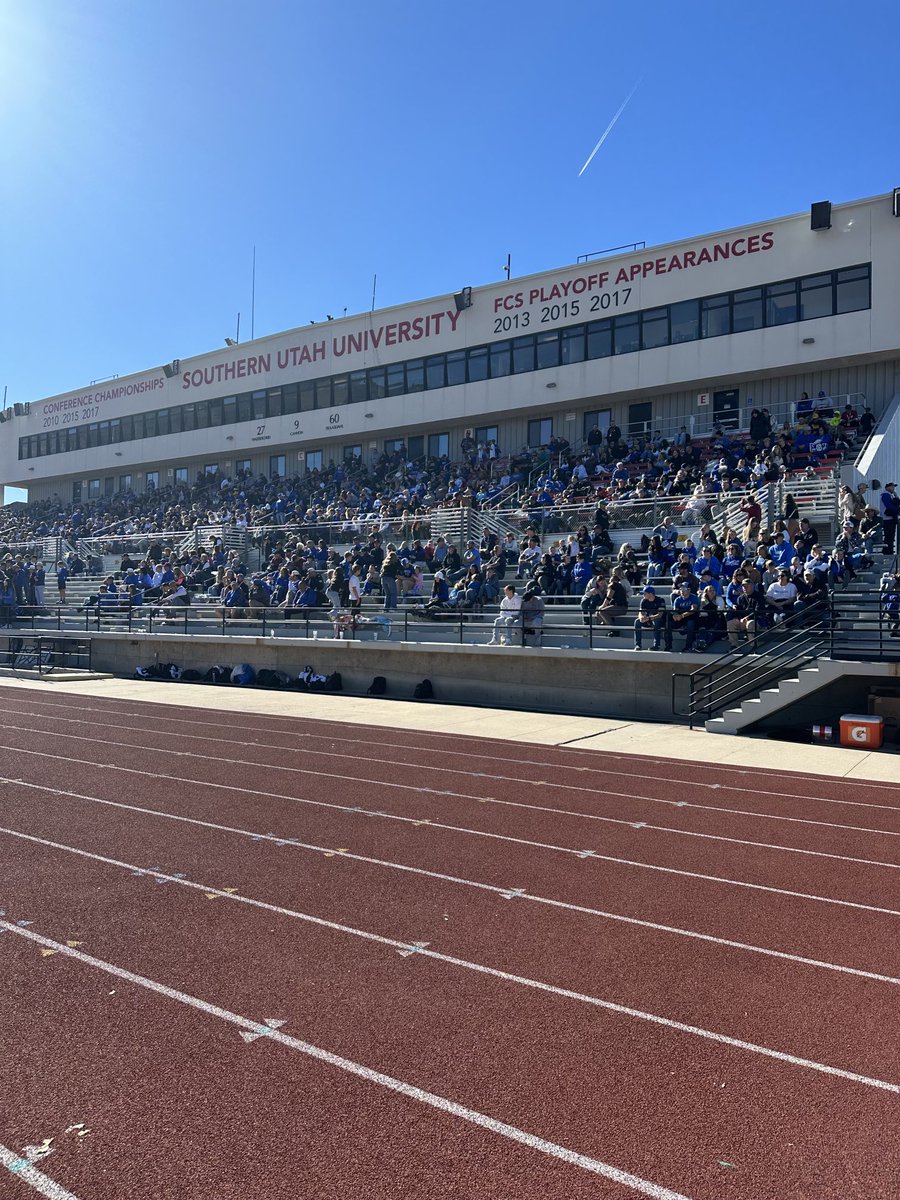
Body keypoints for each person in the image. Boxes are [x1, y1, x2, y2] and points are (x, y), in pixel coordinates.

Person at [633, 585, 667, 650]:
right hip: (649, 619)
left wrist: (648, 618)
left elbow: (659, 615)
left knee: (656, 621)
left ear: (650, 594)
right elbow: (641, 612)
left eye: (644, 594)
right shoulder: (643, 601)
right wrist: (641, 617)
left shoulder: (660, 600)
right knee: (637, 622)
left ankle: (656, 645)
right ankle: (638, 645)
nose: (643, 595)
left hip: (660, 620)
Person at [880, 482, 900, 555]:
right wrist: (898, 510)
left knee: (891, 537)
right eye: (892, 487)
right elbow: (889, 506)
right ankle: (887, 552)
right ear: (887, 487)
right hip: (887, 519)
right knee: (889, 537)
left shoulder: (890, 495)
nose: (893, 488)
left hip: (890, 518)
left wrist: (896, 496)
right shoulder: (886, 495)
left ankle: (889, 551)